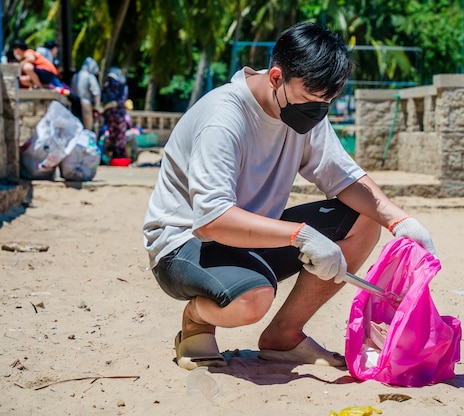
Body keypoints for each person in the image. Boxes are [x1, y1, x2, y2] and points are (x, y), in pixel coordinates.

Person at [142, 22, 437, 371]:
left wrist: (399, 220)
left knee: (364, 221)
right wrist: (302, 235)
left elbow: (342, 177)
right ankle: (197, 319)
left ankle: (284, 336)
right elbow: (212, 220)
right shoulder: (223, 118)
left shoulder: (303, 112)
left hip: (250, 237)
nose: (317, 111)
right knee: (254, 297)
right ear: (276, 77)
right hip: (184, 243)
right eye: (311, 100)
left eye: (326, 102)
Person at [101, 67, 129, 158]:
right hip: (110, 117)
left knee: (120, 138)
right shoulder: (107, 86)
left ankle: (121, 157)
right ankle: (114, 157)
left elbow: (122, 100)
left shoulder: (123, 87)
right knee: (112, 137)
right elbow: (102, 97)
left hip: (119, 117)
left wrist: (113, 104)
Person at [71, 57, 102, 131]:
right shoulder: (90, 77)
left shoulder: (76, 76)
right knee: (87, 129)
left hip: (75, 103)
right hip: (86, 104)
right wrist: (96, 108)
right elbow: (96, 93)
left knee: (77, 128)